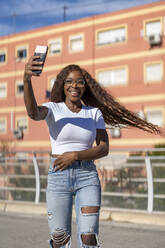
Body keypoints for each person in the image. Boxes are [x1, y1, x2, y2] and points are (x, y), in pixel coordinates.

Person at [23, 55, 161, 248]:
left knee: (89, 238)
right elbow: (32, 113)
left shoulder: (94, 113)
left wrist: (75, 155)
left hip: (87, 176)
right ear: (62, 85)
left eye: (80, 82)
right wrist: (26, 80)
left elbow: (103, 148)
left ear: (85, 87)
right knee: (59, 239)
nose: (75, 85)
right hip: (59, 176)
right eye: (69, 81)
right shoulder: (52, 109)